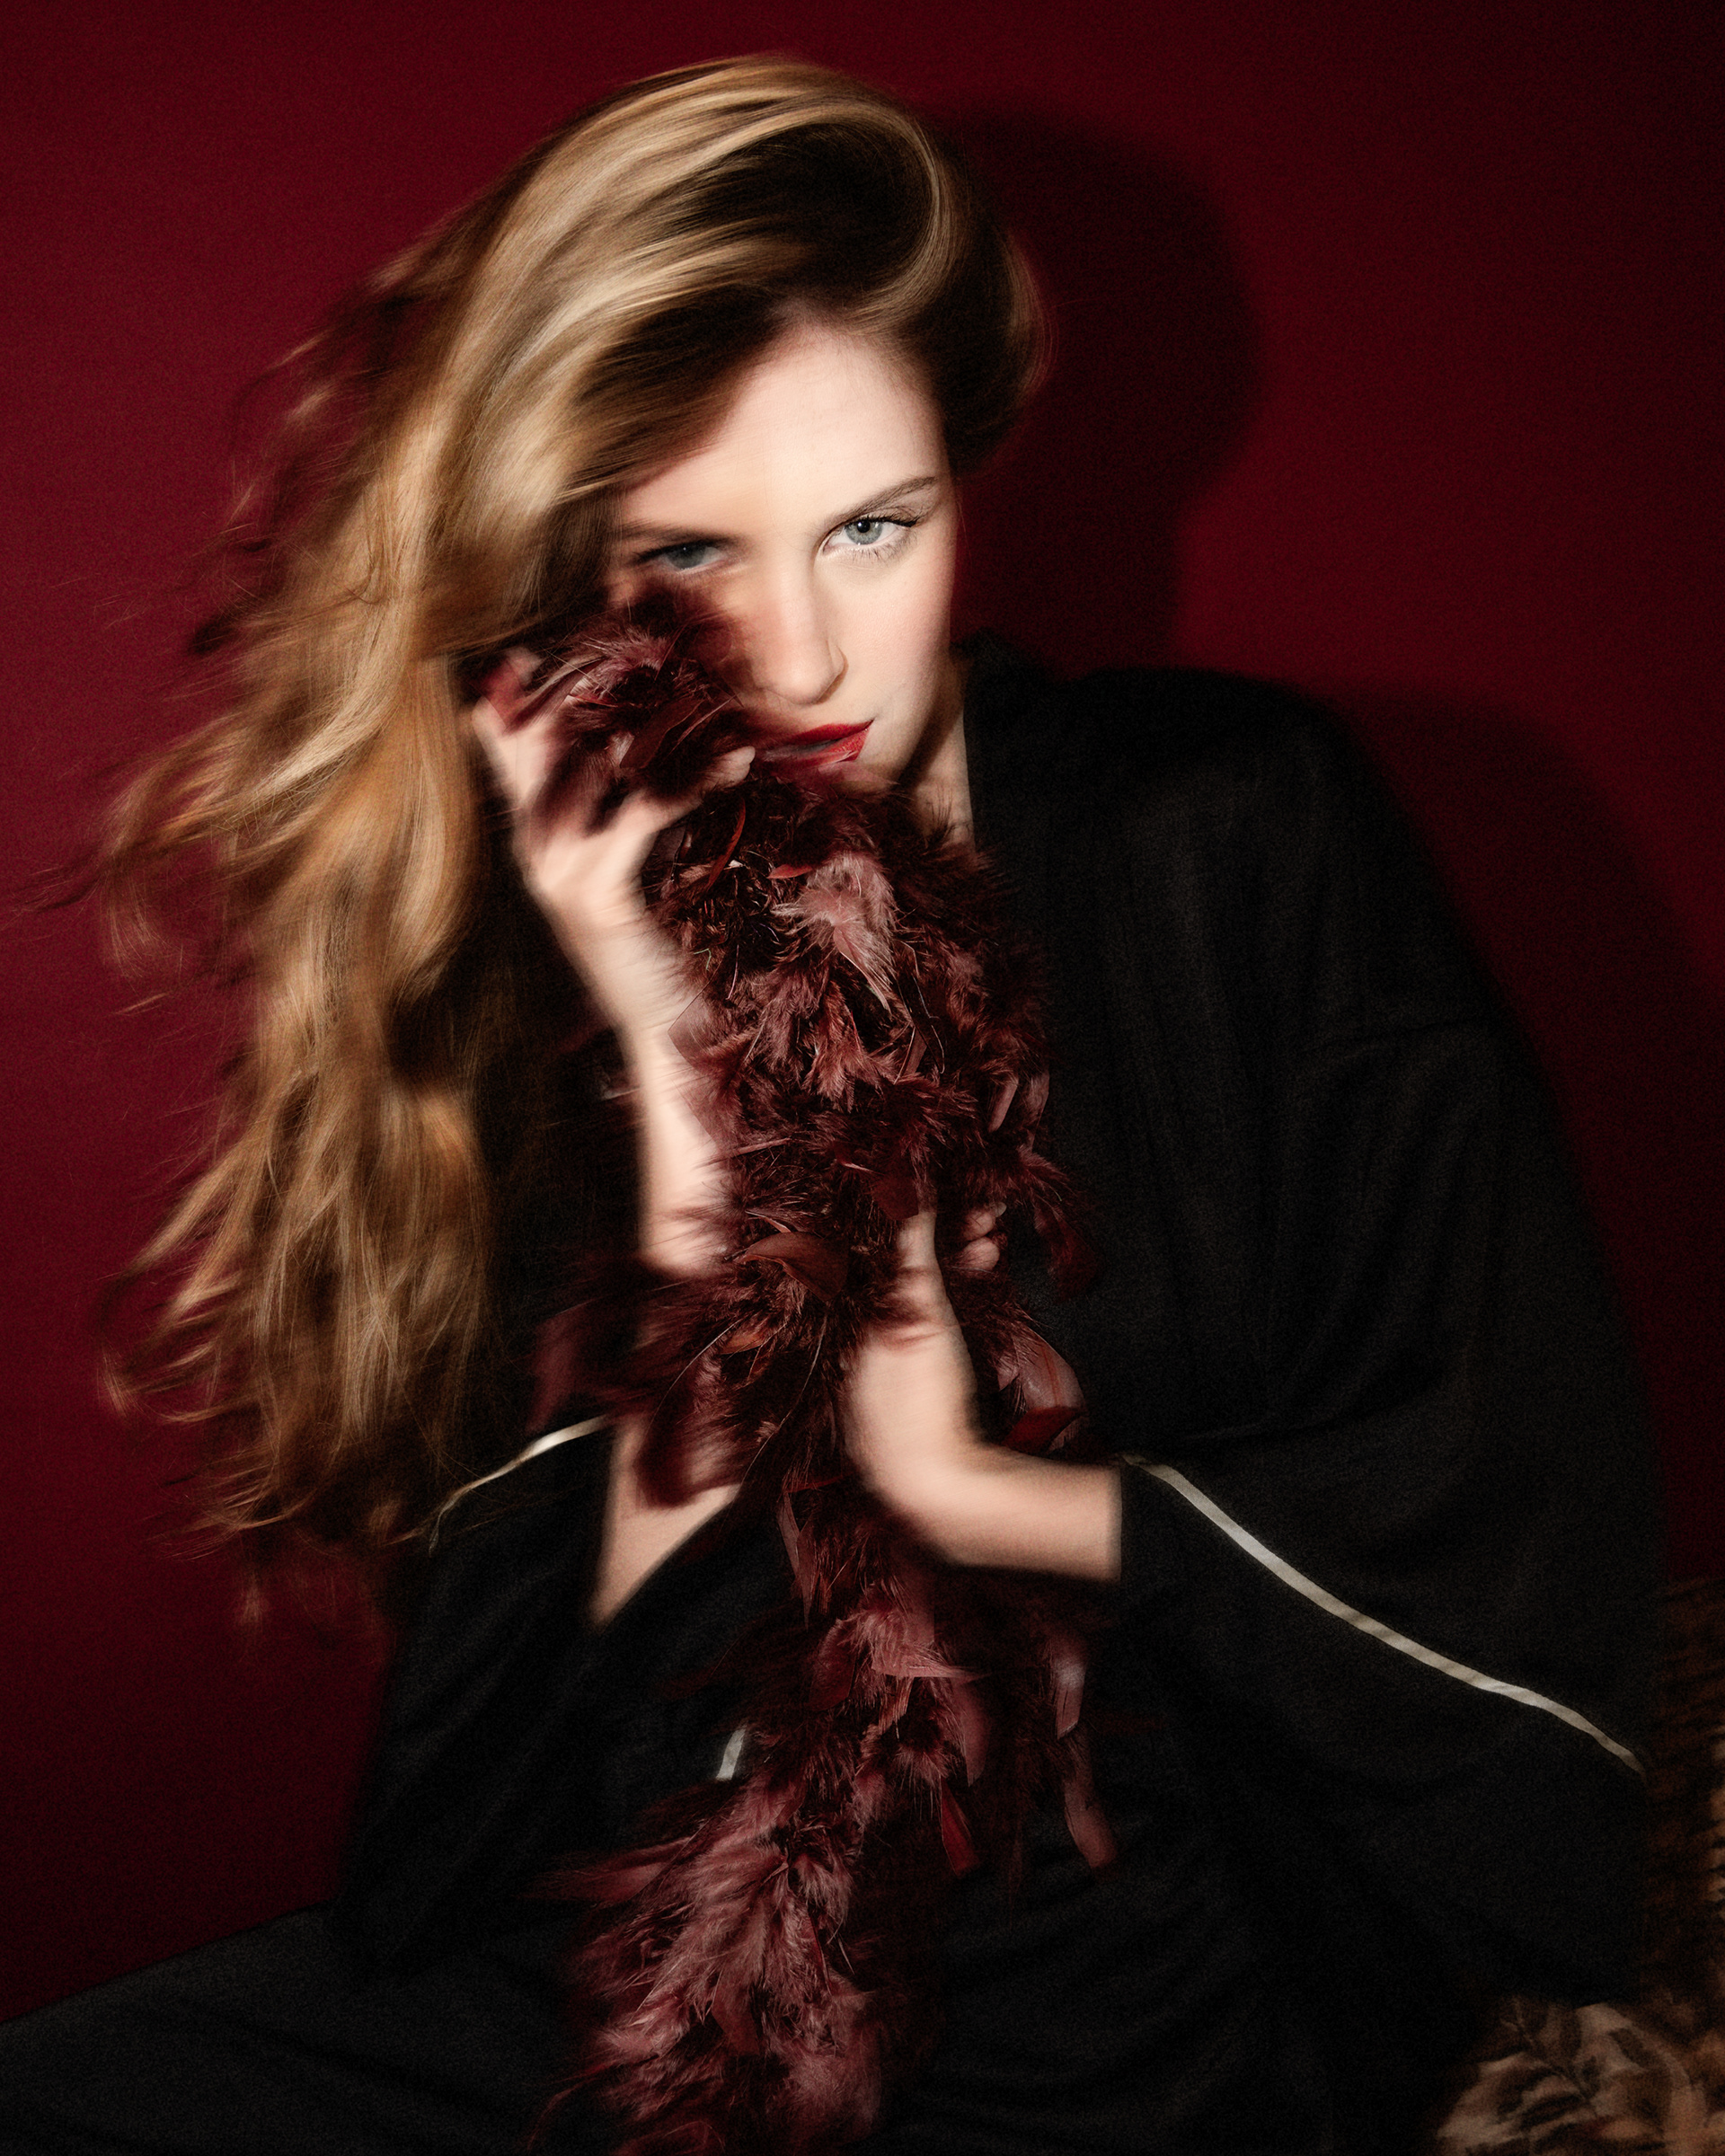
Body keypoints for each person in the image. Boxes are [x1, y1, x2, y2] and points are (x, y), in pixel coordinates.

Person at [0, 56, 1658, 2156]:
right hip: (661, 1935)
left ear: (967, 475)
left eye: (877, 527)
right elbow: (521, 1748)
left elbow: (1496, 1516)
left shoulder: (1227, 830)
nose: (802, 653)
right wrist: (680, 1084)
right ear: (576, 573)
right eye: (693, 552)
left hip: (1157, 1958)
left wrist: (975, 1490)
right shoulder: (552, 931)